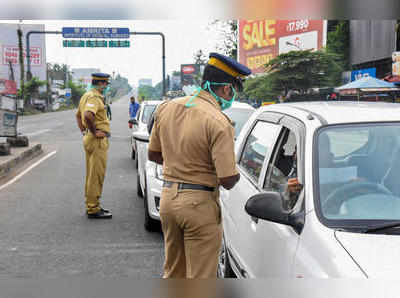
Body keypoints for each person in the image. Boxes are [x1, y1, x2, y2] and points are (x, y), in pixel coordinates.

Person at [148, 52, 251, 278]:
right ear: (226, 89)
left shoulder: (166, 108)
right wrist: (239, 171)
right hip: (199, 205)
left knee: (174, 271)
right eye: (234, 91)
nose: (232, 96)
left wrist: (181, 163)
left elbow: (154, 154)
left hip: (168, 200)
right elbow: (227, 179)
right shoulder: (219, 122)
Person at [75, 73, 112, 219]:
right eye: (106, 84)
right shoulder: (94, 97)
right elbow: (87, 116)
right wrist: (94, 131)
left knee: (91, 174)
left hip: (89, 138)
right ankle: (93, 208)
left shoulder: (85, 96)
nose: (106, 87)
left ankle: (91, 204)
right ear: (101, 84)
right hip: (96, 141)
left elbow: (78, 115)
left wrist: (84, 131)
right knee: (96, 175)